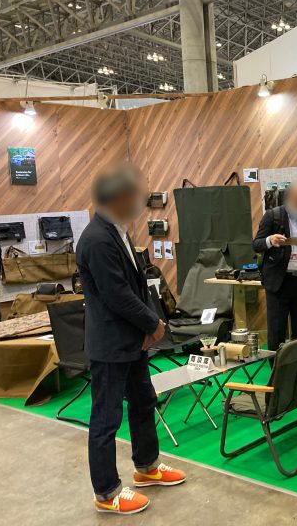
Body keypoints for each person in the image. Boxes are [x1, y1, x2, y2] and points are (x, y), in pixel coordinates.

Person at [77, 163, 186, 515]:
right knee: (106, 418)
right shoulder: (97, 239)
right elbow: (117, 295)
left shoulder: (119, 230)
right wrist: (153, 324)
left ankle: (147, 466)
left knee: (143, 402)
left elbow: (139, 286)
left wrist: (149, 327)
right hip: (111, 344)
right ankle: (106, 492)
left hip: (134, 340)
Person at [253, 183, 297, 351]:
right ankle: (276, 366)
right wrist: (270, 240)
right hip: (279, 283)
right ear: (290, 198)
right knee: (276, 332)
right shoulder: (272, 216)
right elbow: (256, 244)